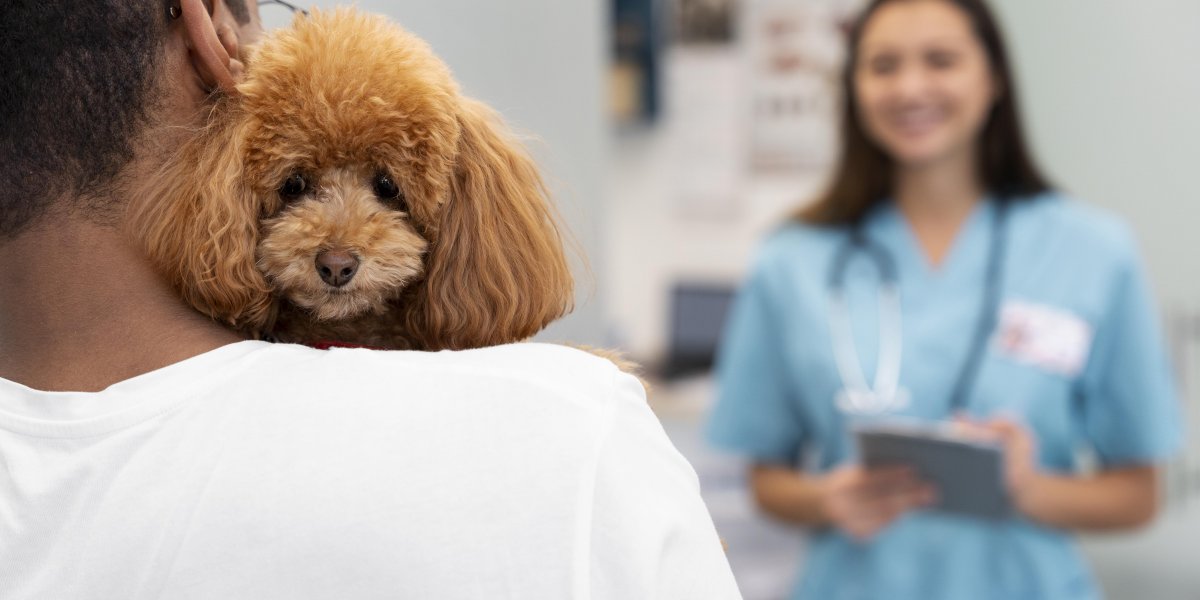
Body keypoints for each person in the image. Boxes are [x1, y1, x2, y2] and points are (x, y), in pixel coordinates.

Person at [0, 1, 742, 598]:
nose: (338, 248)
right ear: (209, 24)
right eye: (296, 188)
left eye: (387, 189)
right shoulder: (575, 431)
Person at [707, 0, 1181, 598]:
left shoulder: (1093, 251)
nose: (910, 88)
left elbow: (1139, 494)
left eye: (941, 60)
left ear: (994, 77)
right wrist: (826, 499)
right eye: (883, 66)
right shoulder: (791, 259)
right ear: (854, 87)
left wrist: (1026, 487)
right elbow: (765, 480)